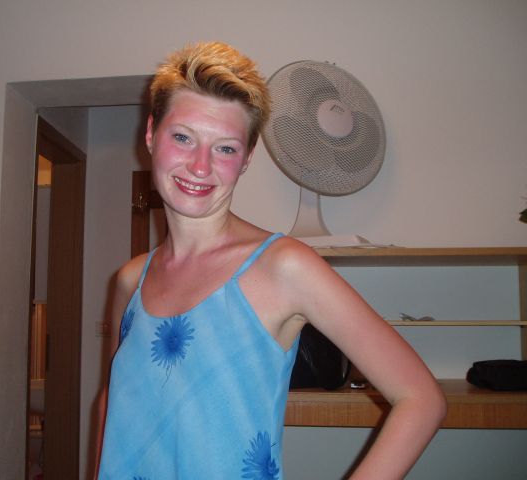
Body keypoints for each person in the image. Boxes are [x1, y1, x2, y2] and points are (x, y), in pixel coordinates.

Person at [96, 41, 446, 479]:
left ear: (246, 158)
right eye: (183, 137)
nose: (200, 166)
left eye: (225, 148)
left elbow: (420, 398)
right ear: (151, 134)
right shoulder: (130, 280)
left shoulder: (284, 267)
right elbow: (112, 400)